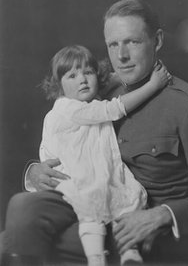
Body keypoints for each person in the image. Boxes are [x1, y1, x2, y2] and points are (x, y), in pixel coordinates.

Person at [2, 0, 188, 266]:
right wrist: (35, 172)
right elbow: (67, 138)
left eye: (133, 42)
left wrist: (163, 214)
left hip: (139, 228)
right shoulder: (101, 93)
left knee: (13, 243)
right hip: (88, 201)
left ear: (158, 41)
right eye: (113, 45)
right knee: (22, 208)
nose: (121, 56)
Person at [39, 44, 169, 266]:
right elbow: (113, 109)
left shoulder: (85, 99)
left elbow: (105, 80)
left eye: (88, 72)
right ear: (59, 87)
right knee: (92, 207)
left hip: (100, 167)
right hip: (78, 174)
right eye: (72, 75)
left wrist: (122, 74)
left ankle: (129, 250)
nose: (82, 80)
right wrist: (152, 85)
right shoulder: (68, 108)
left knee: (129, 197)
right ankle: (96, 258)